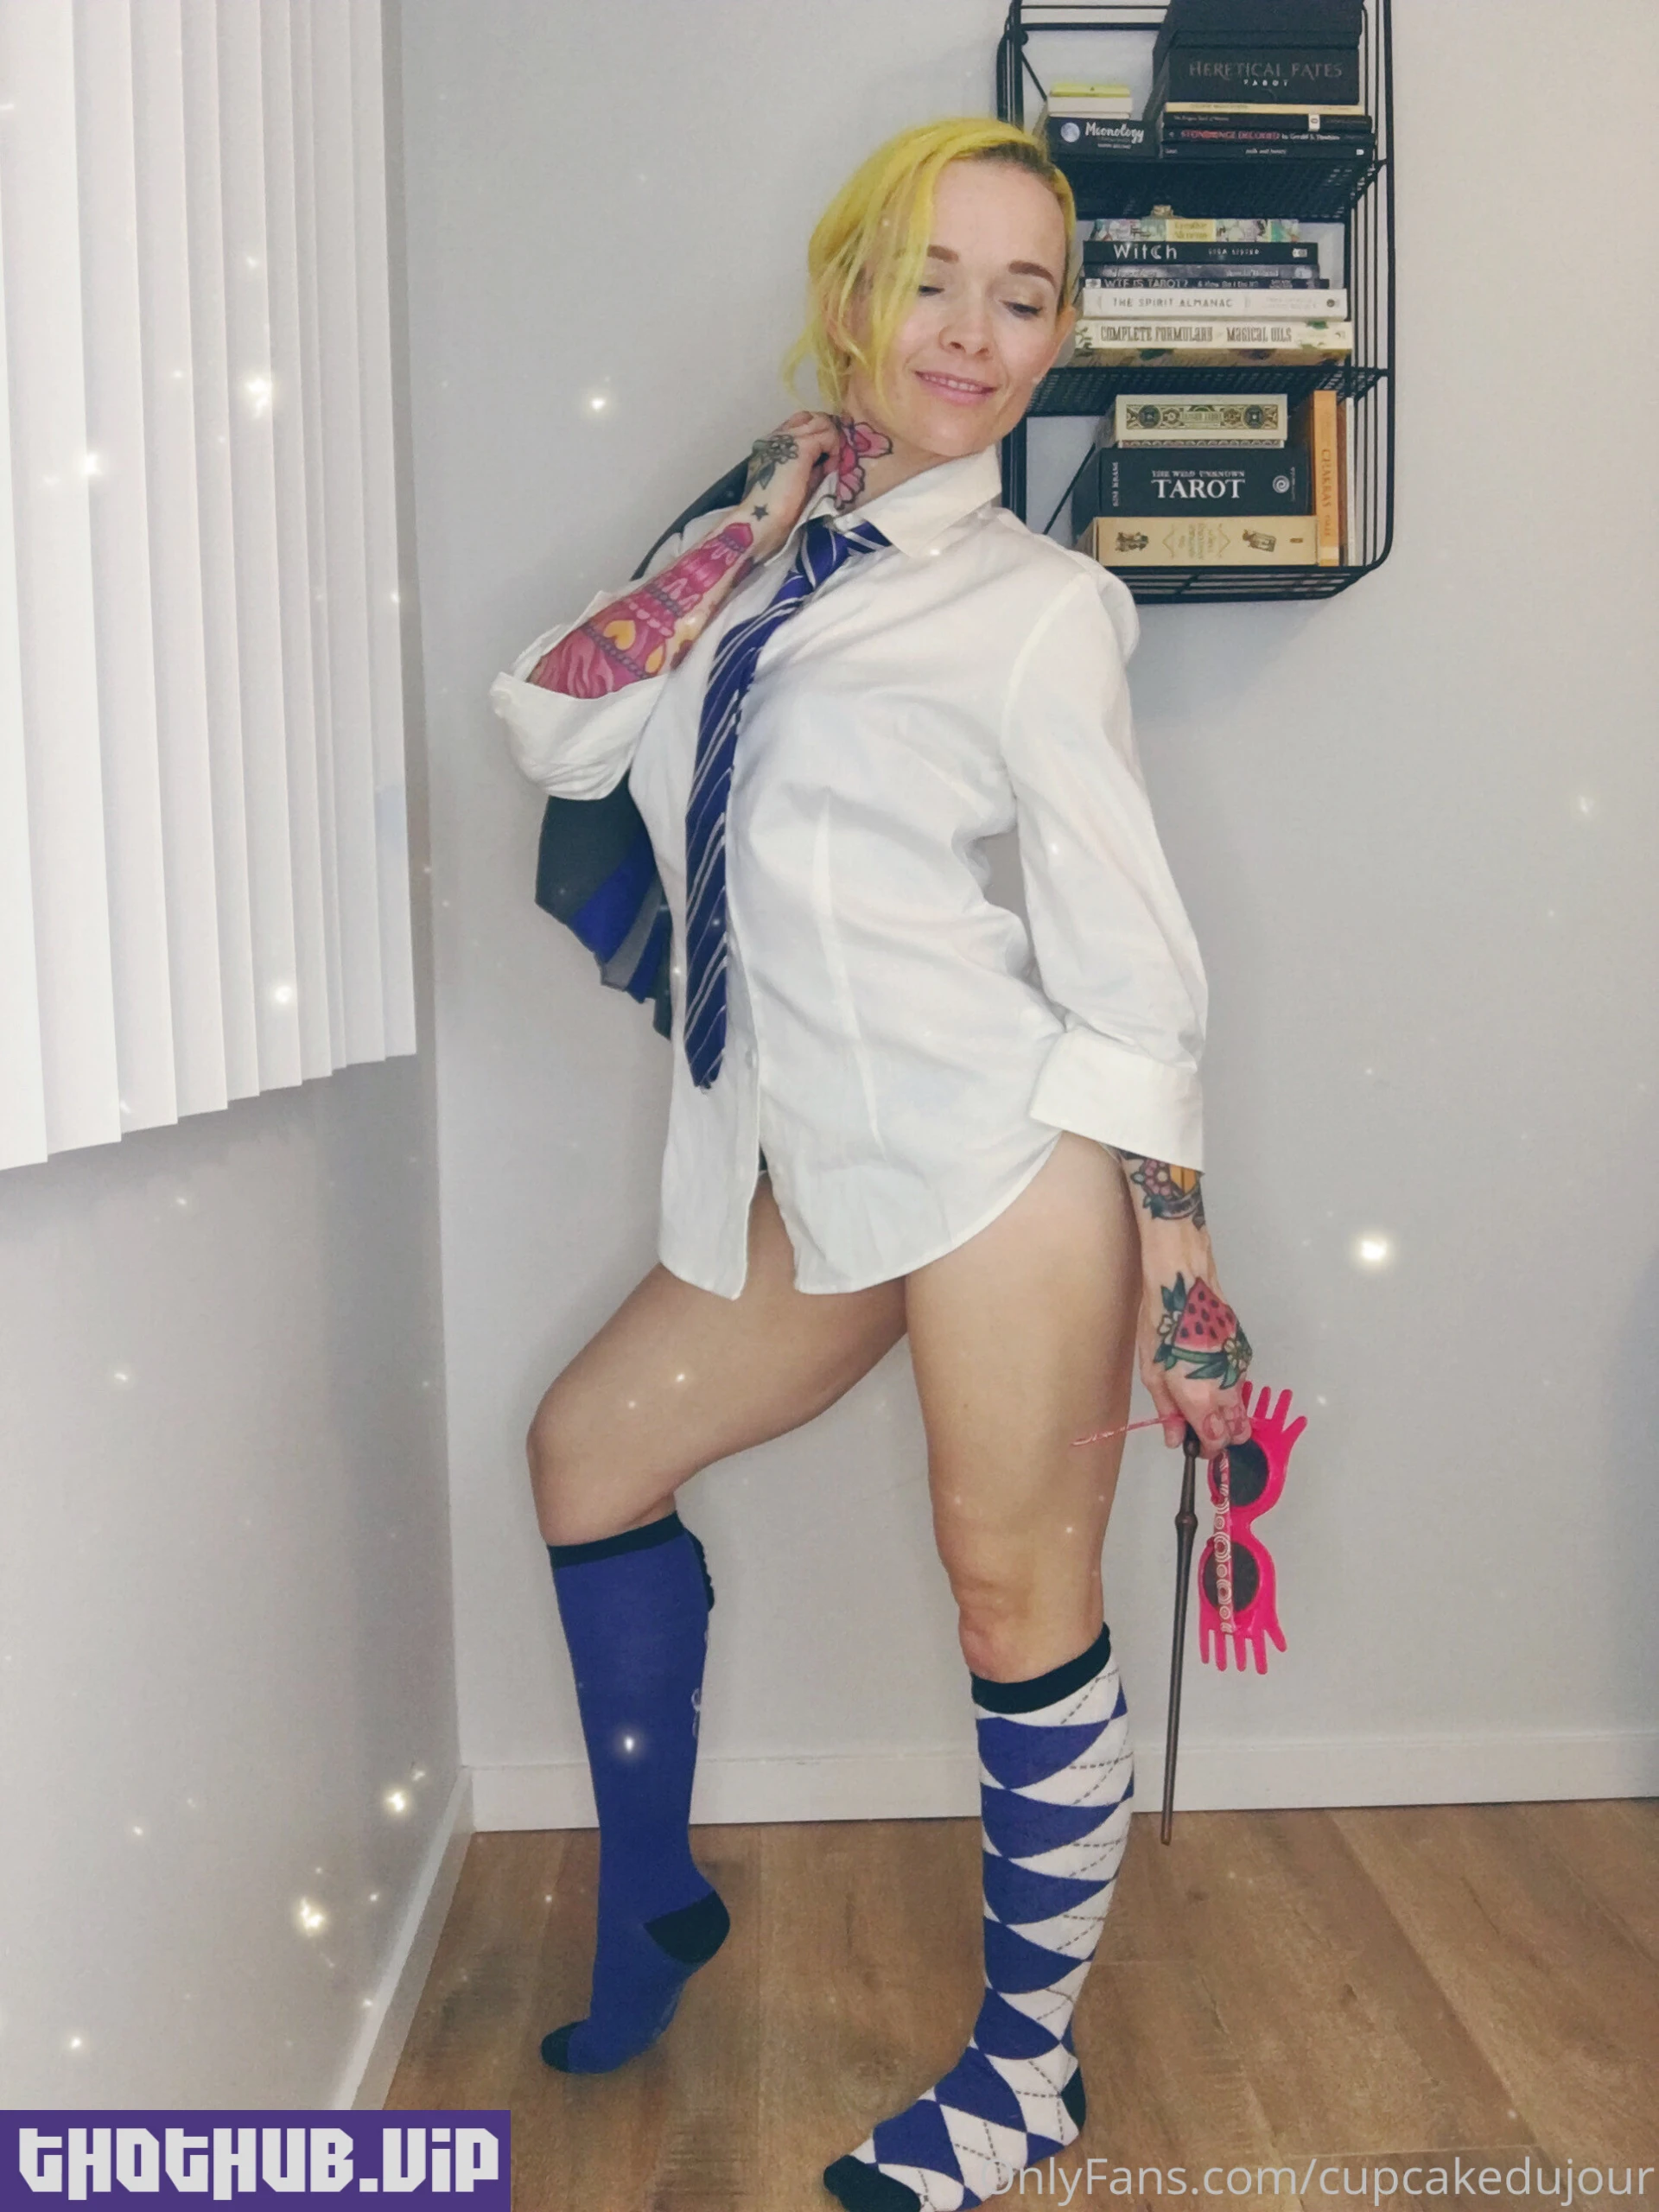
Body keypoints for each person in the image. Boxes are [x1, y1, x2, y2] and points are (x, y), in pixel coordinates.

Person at [489, 115, 1255, 2212]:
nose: (973, 333)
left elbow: (1128, 962)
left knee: (1015, 1596)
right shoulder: (751, 565)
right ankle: (656, 1896)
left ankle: (1026, 2074)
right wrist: (754, 508)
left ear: (1056, 339)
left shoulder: (1042, 608)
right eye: (931, 277)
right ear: (849, 291)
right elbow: (554, 725)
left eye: (1022, 298)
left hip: (1006, 1163)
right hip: (807, 1159)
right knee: (588, 1451)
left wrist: (1183, 1269)